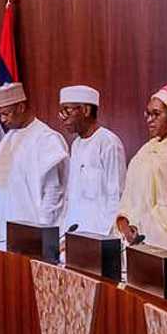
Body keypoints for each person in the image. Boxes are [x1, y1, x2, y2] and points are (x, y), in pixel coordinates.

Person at [115, 85, 167, 259]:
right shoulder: (146, 149)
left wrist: (143, 227)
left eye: (156, 114)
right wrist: (125, 224)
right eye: (148, 114)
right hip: (137, 241)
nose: (149, 119)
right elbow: (129, 194)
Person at [0, 82, 69, 248]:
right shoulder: (7, 139)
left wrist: (42, 232)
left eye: (6, 114)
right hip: (3, 232)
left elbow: (53, 192)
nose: (3, 120)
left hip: (32, 235)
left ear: (21, 107)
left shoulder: (46, 139)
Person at [59, 85, 126, 235]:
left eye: (67, 110)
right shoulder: (76, 144)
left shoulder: (108, 142)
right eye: (61, 111)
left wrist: (103, 238)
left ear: (86, 110)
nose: (62, 117)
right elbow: (73, 196)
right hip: (75, 233)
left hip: (99, 236)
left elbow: (116, 198)